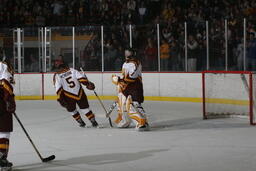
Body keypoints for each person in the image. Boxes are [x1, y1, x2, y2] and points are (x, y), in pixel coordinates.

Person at [112, 48, 149, 131]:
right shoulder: (125, 63)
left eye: (128, 53)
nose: (126, 54)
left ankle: (143, 122)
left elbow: (133, 77)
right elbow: (124, 76)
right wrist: (119, 81)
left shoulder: (136, 63)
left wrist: (119, 80)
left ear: (133, 53)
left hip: (135, 87)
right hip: (127, 87)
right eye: (125, 52)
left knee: (135, 104)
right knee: (121, 103)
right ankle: (125, 121)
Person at [53, 61, 98, 128]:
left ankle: (80, 122)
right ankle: (93, 121)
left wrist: (61, 98)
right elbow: (82, 79)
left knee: (72, 110)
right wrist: (88, 84)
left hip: (68, 96)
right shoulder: (72, 70)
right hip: (79, 93)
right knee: (85, 108)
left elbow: (58, 89)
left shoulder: (57, 76)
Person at [0, 56, 16, 171]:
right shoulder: (3, 65)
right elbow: (6, 83)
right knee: (4, 131)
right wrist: (10, 101)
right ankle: (2, 160)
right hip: (1, 102)